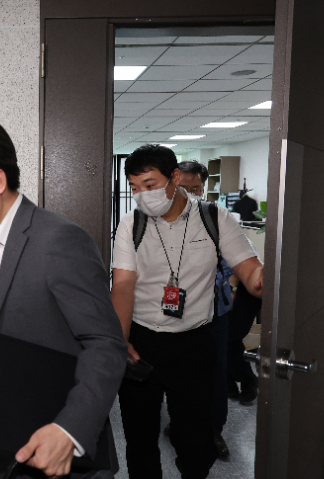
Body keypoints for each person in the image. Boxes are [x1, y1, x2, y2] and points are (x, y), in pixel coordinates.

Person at [0, 116, 126, 479]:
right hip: (3, 436)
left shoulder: (59, 240)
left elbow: (106, 344)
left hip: (54, 444)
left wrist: (69, 431)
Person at [111, 145, 263, 479]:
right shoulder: (131, 224)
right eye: (135, 188)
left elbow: (250, 270)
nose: (142, 195)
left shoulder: (213, 218)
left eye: (150, 185)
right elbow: (122, 285)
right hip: (141, 342)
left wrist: (262, 280)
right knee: (140, 438)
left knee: (196, 441)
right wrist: (121, 341)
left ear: (175, 178)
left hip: (194, 344)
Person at [176, 160, 234, 458]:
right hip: (175, 314)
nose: (190, 194)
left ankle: (214, 431)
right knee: (179, 372)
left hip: (214, 315)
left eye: (196, 188)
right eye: (183, 188)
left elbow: (232, 266)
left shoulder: (218, 220)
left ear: (204, 188)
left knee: (215, 372)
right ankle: (181, 424)